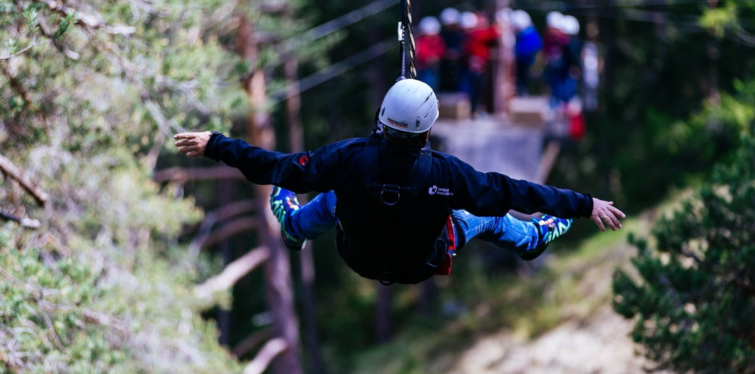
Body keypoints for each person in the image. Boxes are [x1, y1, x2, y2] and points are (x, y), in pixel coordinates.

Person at [174, 79, 625, 285]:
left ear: (382, 119)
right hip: (421, 262)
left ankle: (294, 227)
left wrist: (217, 143)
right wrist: (582, 204)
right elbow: (512, 191)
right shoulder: (447, 174)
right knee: (483, 215)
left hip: (360, 256)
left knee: (336, 194)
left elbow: (276, 167)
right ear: (428, 129)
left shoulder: (348, 158)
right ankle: (532, 241)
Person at [511, 10, 543, 96]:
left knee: (524, 77)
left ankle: (524, 91)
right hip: (522, 60)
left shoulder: (528, 34)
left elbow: (534, 47)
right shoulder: (522, 35)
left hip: (527, 60)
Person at [415, 16, 446, 91]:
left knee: (432, 86)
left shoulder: (438, 40)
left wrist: (435, 58)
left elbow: (441, 51)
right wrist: (428, 58)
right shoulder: (422, 40)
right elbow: (421, 53)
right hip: (423, 68)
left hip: (433, 68)